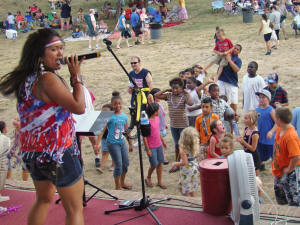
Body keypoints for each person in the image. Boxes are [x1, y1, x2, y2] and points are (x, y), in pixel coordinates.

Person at [0, 28, 86, 225]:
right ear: (39, 54)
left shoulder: (25, 80)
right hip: (58, 153)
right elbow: (79, 107)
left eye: (61, 49)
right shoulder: (47, 79)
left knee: (43, 199)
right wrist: (76, 77)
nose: (61, 54)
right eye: (54, 50)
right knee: (74, 210)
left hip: (33, 153)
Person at [154, 78, 193, 161]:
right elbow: (156, 95)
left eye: (177, 88)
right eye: (173, 88)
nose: (174, 90)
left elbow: (190, 103)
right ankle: (177, 162)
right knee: (176, 145)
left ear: (181, 88)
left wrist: (188, 93)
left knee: (183, 144)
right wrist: (166, 90)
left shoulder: (184, 96)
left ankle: (185, 161)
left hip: (183, 124)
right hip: (173, 125)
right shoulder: (169, 96)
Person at [105, 92, 133, 190]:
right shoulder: (109, 116)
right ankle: (117, 186)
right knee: (118, 165)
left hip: (121, 143)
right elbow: (102, 129)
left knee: (125, 164)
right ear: (112, 105)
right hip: (112, 144)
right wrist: (97, 143)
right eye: (115, 104)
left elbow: (126, 131)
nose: (117, 105)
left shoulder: (124, 117)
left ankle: (122, 182)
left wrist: (130, 143)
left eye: (119, 103)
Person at [272, 107, 300, 206]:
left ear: (279, 120)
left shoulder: (290, 136)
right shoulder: (280, 129)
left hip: (290, 173)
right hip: (279, 170)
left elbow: (296, 157)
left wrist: (289, 169)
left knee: (293, 200)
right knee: (280, 196)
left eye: (275, 118)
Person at [170, 127, 200, 197]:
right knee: (190, 187)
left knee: (183, 189)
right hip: (194, 169)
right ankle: (193, 198)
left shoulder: (183, 149)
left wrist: (175, 163)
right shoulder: (195, 146)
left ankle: (188, 200)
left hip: (187, 171)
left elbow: (185, 163)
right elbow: (198, 156)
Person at [144, 103, 167, 189]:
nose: (159, 110)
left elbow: (158, 132)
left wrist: (163, 141)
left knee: (159, 163)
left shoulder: (157, 119)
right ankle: (148, 177)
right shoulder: (147, 122)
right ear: (154, 112)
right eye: (158, 109)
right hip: (151, 146)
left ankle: (159, 182)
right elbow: (145, 137)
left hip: (158, 145)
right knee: (154, 164)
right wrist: (148, 149)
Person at [216, 44, 242, 113]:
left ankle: (234, 116)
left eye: (237, 49)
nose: (235, 50)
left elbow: (236, 69)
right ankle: (221, 114)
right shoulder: (225, 56)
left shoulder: (238, 60)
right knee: (220, 99)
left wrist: (229, 61)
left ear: (239, 52)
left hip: (231, 82)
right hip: (221, 80)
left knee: (233, 101)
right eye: (234, 48)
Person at [256, 90, 277, 171]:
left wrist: (271, 131)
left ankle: (276, 167)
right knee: (259, 153)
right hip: (260, 137)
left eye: (263, 97)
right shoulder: (257, 109)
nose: (261, 99)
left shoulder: (271, 110)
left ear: (268, 99)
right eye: (260, 97)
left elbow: (277, 123)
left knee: (273, 154)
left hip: (270, 138)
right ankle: (261, 165)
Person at [237, 111, 261, 175]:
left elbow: (253, 148)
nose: (244, 120)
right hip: (246, 155)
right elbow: (245, 143)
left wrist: (243, 142)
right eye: (244, 118)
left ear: (252, 120)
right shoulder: (246, 129)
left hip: (253, 157)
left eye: (246, 118)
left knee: (255, 177)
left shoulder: (255, 134)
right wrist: (241, 141)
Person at [149, 88, 169, 164]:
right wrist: (151, 96)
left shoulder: (160, 105)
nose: (160, 97)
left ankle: (161, 156)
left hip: (162, 127)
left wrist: (165, 124)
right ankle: (163, 157)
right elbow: (150, 98)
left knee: (161, 143)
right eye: (158, 96)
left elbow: (162, 116)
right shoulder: (153, 106)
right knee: (160, 144)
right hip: (157, 129)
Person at [6, 116, 29, 181]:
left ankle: (25, 181)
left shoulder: (23, 132)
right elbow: (16, 141)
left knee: (25, 167)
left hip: (25, 151)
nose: (15, 121)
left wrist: (17, 155)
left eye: (18, 120)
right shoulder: (16, 129)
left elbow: (22, 144)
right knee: (6, 159)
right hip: (17, 149)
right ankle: (7, 178)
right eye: (14, 119)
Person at [94, 104, 114, 173]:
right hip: (104, 139)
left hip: (113, 139)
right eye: (103, 111)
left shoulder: (113, 120)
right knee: (105, 152)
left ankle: (113, 165)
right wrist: (97, 144)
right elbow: (100, 132)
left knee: (114, 152)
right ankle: (102, 167)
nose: (104, 113)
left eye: (106, 111)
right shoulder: (101, 120)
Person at [0, 121, 10, 202]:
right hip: (2, 159)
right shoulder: (5, 139)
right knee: (2, 172)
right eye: (6, 127)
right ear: (3, 129)